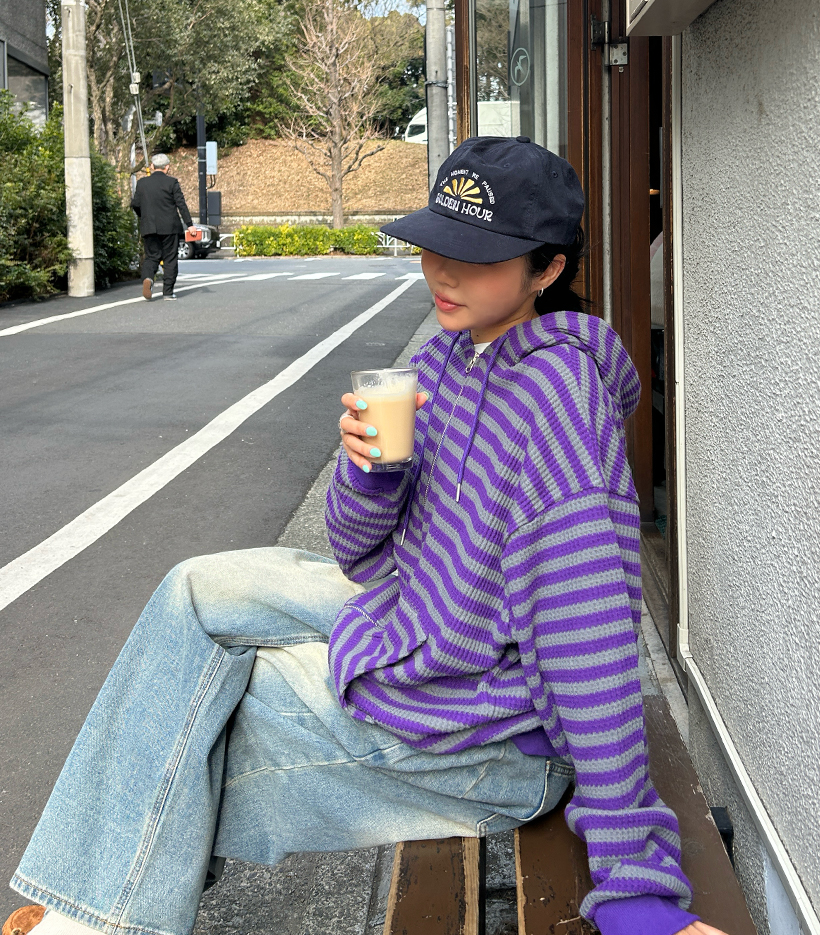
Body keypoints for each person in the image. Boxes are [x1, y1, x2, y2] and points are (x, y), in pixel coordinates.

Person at [5, 138, 731, 935]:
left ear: (547, 270)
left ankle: (94, 919)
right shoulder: (450, 356)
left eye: (478, 256)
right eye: (436, 246)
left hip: (497, 736)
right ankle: (102, 901)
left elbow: (587, 638)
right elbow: (358, 551)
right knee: (195, 591)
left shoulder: (557, 402)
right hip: (421, 620)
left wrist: (634, 884)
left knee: (212, 711)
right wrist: (372, 474)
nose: (444, 273)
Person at [131, 153, 193, 301]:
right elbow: (181, 204)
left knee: (151, 257)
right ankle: (168, 292)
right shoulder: (172, 182)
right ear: (167, 167)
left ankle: (148, 278)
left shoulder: (142, 183)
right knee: (170, 259)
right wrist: (189, 224)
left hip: (149, 226)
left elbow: (135, 204)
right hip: (170, 227)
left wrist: (143, 216)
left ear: (152, 166)